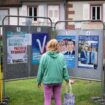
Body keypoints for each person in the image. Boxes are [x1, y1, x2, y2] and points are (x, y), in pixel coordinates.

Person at [37, 39, 70, 105]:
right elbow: (64, 70)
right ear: (57, 46)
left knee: (47, 100)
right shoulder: (61, 56)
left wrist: (39, 81)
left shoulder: (44, 56)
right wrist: (67, 79)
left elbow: (40, 71)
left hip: (47, 81)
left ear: (48, 46)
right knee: (58, 99)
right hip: (58, 81)